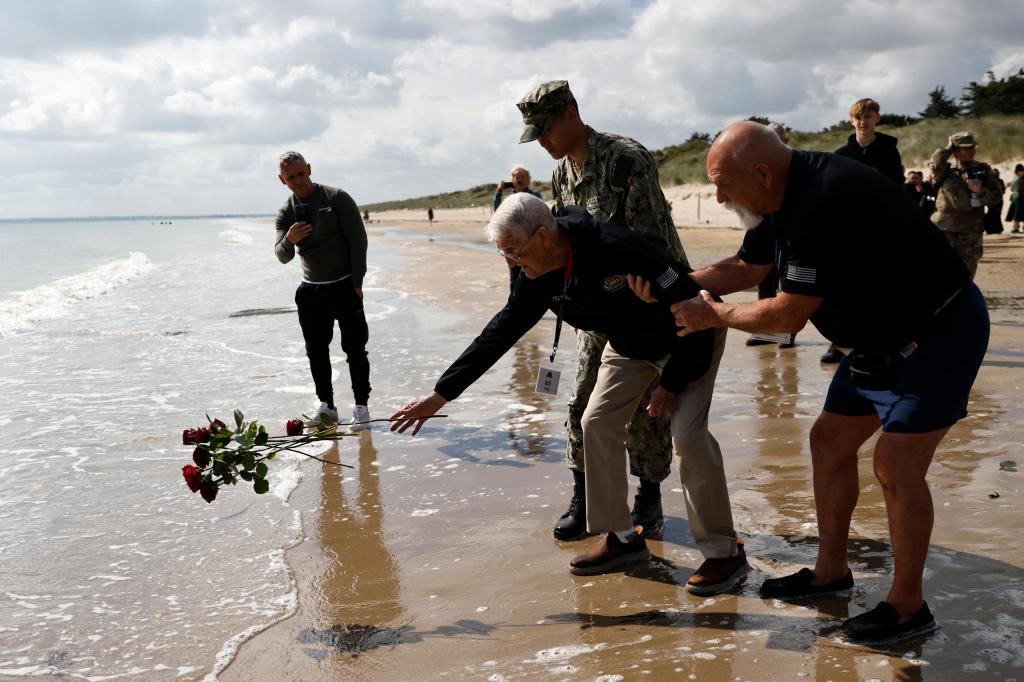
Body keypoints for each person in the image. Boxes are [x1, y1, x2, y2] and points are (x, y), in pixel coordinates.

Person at [636, 121, 988, 645]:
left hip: (936, 335)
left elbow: (788, 315)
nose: (718, 195)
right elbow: (749, 265)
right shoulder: (780, 192)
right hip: (874, 344)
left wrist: (714, 317)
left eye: (724, 184)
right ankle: (830, 572)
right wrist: (677, 284)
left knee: (894, 464)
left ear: (761, 171)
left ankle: (909, 606)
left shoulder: (822, 201)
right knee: (828, 441)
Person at [390, 194, 747, 592]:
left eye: (514, 251)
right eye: (503, 253)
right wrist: (440, 396)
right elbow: (502, 330)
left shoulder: (618, 248)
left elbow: (692, 304)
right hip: (629, 347)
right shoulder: (537, 272)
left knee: (688, 436)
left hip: (689, 337)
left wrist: (672, 384)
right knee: (595, 422)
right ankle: (622, 538)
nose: (511, 262)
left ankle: (723, 553)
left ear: (543, 237)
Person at [516, 79, 686, 540]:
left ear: (572, 113)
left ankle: (648, 495)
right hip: (597, 302)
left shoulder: (624, 159)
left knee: (648, 409)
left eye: (547, 130)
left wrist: (648, 297)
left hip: (650, 301)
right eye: (536, 135)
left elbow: (651, 241)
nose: (543, 142)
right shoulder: (561, 173)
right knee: (582, 403)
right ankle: (585, 496)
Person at [274, 151, 372, 432]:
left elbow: (358, 240)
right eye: (291, 177)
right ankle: (326, 406)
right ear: (283, 180)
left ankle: (361, 407)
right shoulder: (286, 211)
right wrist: (290, 240)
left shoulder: (336, 197)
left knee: (355, 349)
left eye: (301, 174)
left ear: (309, 169)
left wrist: (357, 282)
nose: (298, 181)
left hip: (344, 285)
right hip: (311, 292)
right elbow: (282, 256)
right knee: (316, 352)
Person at [819, 98, 905, 364]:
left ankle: (882, 339)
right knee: (844, 284)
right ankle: (840, 341)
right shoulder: (842, 154)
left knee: (881, 283)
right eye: (859, 117)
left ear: (877, 118)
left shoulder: (889, 151)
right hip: (848, 228)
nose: (863, 122)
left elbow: (896, 189)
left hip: (881, 226)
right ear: (851, 120)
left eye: (868, 116)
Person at [746, 122, 796, 349]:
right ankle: (766, 331)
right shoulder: (755, 167)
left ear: (784, 142)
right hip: (763, 233)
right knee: (764, 283)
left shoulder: (794, 166)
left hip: (788, 237)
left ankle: (787, 333)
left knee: (788, 286)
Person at [930, 131, 1004, 278]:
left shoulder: (983, 169)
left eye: (973, 148)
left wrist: (980, 191)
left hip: (970, 230)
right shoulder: (946, 170)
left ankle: (964, 300)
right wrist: (948, 148)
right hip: (945, 228)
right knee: (940, 270)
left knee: (966, 274)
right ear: (956, 151)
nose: (971, 151)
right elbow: (935, 164)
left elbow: (997, 196)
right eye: (966, 148)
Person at [984, 168, 1005, 235]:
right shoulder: (994, 181)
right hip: (994, 201)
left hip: (996, 201)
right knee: (994, 215)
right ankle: (993, 229)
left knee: (994, 215)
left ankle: (993, 229)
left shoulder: (994, 181)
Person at [1008, 164, 1024, 233]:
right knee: (1017, 214)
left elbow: (1011, 188)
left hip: (1016, 197)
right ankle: (1015, 228)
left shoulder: (1015, 178)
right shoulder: (1018, 179)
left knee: (1016, 214)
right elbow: (1019, 189)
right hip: (1019, 198)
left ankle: (1016, 228)